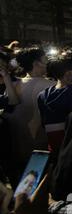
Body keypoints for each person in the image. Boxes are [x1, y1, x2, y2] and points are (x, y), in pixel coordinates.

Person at [3, 48, 54, 183]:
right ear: (36, 63)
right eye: (45, 60)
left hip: (15, 148)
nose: (48, 62)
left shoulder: (12, 85)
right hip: (40, 147)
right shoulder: (52, 86)